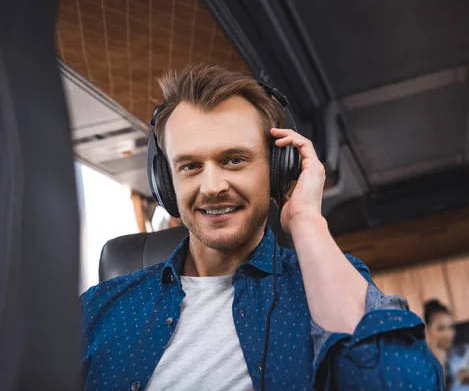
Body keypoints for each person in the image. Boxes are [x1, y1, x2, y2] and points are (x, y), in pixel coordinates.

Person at [80, 64, 444, 391]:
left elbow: (402, 384)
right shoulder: (97, 309)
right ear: (165, 182)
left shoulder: (323, 288)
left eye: (234, 160)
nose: (211, 187)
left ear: (277, 169)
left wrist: (306, 220)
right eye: (189, 166)